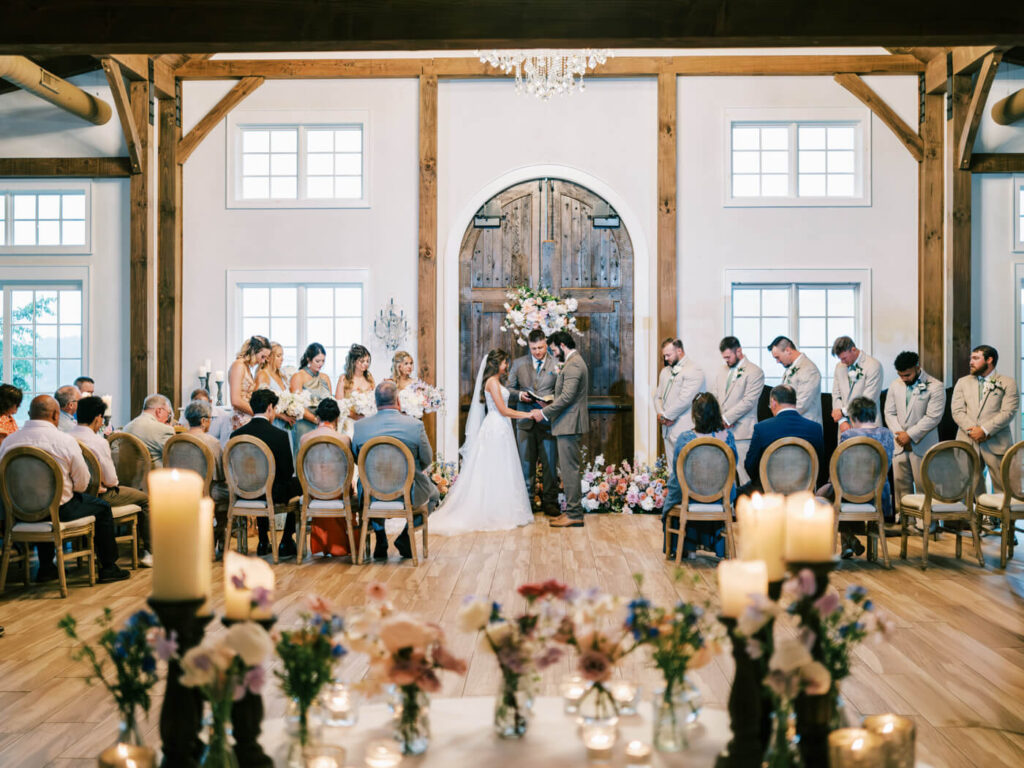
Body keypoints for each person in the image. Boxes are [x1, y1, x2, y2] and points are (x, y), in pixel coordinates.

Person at [0, 395, 129, 584]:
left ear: (29, 414)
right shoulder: (64, 441)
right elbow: (83, 483)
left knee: (45, 501)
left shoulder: (9, 442)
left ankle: (46, 568)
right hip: (60, 510)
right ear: (55, 415)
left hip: (19, 511)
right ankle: (108, 567)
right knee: (101, 508)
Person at [430, 349, 534, 536]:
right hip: (496, 425)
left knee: (502, 468)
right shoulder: (492, 383)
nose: (506, 365)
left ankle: (501, 508)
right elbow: (502, 410)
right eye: (504, 362)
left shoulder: (496, 382)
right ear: (496, 364)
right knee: (494, 467)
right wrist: (528, 414)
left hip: (502, 427)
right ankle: (492, 511)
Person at [352, 381, 440, 558]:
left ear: (376, 403)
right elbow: (426, 459)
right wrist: (411, 471)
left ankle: (380, 535)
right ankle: (406, 536)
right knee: (435, 495)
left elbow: (357, 459)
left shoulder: (361, 427)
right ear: (398, 401)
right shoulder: (414, 426)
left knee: (372, 484)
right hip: (408, 491)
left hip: (372, 492)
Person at [72, 396, 153, 567]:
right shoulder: (98, 442)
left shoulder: (65, 437)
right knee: (146, 500)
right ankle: (150, 551)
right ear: (98, 418)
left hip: (73, 497)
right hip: (98, 495)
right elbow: (111, 481)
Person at [662, 392, 738, 559]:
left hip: (691, 496)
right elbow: (733, 466)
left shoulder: (685, 438)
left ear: (695, 414)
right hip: (720, 497)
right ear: (717, 412)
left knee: (675, 488)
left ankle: (686, 547)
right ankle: (717, 547)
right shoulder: (728, 438)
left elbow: (678, 469)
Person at [229, 388, 301, 558]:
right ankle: (285, 540)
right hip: (270, 493)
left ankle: (263, 541)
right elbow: (287, 471)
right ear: (270, 407)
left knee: (261, 481)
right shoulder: (279, 435)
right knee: (297, 484)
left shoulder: (236, 435)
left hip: (242, 492)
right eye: (274, 409)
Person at [821, 396, 895, 558]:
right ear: (874, 414)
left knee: (822, 496)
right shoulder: (887, 434)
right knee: (837, 493)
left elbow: (840, 468)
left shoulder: (848, 435)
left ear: (852, 417)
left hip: (851, 494)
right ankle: (850, 541)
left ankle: (849, 539)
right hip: (879, 494)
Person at [532, 330, 590, 529]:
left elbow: (567, 397)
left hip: (569, 424)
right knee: (567, 470)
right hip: (566, 423)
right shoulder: (573, 363)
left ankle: (574, 514)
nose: (554, 353)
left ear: (562, 345)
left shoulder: (574, 365)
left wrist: (545, 412)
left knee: (569, 471)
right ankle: (571, 512)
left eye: (554, 349)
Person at [505, 328, 561, 516]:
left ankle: (550, 502)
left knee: (550, 463)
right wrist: (520, 395)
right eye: (533, 348)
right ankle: (526, 502)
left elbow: (563, 391)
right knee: (526, 463)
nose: (537, 351)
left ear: (546, 343)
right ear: (529, 346)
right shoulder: (519, 364)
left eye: (540, 347)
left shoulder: (557, 364)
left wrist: (550, 400)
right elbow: (508, 389)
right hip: (525, 421)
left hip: (547, 420)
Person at [951, 344, 1020, 495]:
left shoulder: (1008, 383)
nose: (971, 362)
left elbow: (1008, 412)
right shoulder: (963, 382)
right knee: (970, 487)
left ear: (990, 360)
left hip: (997, 441)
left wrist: (984, 430)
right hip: (967, 441)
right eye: (971, 358)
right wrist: (973, 430)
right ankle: (979, 518)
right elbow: (957, 411)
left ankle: (1002, 518)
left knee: (1003, 485)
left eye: (976, 358)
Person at [741, 384, 825, 495]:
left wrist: (766, 483)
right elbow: (820, 465)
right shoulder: (815, 428)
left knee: (738, 494)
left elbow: (750, 465)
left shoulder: (762, 428)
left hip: (769, 491)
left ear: (773, 402)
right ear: (795, 401)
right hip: (803, 492)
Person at [883, 351, 945, 500]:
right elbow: (889, 412)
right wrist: (899, 434)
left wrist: (909, 436)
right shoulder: (895, 385)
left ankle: (925, 521)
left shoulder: (936, 386)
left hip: (922, 444)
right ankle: (905, 521)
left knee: (924, 485)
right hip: (899, 444)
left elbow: (933, 417)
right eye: (901, 375)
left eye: (908, 375)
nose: (904, 379)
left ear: (918, 367)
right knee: (900, 488)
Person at [299, 397, 354, 558]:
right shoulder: (344, 439)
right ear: (337, 418)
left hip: (313, 492)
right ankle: (340, 544)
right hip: (338, 492)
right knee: (348, 489)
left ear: (317, 417)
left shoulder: (305, 439)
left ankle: (322, 543)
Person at [712, 336, 764, 485]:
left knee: (743, 474)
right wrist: (718, 419)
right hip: (722, 431)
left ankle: (745, 507)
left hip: (742, 431)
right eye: (724, 358)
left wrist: (727, 418)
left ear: (739, 351)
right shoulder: (722, 371)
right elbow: (715, 395)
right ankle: (728, 506)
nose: (726, 361)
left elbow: (748, 401)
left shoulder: (755, 371)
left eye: (728, 357)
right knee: (724, 473)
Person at [184, 399, 231, 553]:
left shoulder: (175, 440)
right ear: (203, 421)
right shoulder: (212, 442)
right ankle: (220, 532)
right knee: (229, 493)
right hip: (207, 492)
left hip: (183, 492)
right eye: (210, 419)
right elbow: (221, 474)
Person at [654, 337, 704, 463]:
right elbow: (658, 396)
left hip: (683, 427)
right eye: (664, 356)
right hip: (666, 428)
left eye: (668, 355)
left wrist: (667, 416)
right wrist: (661, 416)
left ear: (679, 351)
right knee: (672, 470)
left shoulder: (694, 369)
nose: (666, 359)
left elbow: (685, 400)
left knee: (685, 467)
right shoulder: (665, 371)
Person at [830, 336, 883, 431]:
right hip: (844, 426)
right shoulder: (839, 367)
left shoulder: (873, 365)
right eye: (840, 359)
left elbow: (869, 399)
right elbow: (836, 395)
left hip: (867, 424)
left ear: (853, 350)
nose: (842, 362)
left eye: (844, 358)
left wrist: (843, 412)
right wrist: (842, 421)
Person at [768, 336, 822, 424]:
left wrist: (781, 416)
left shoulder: (809, 369)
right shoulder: (790, 368)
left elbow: (802, 404)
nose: (777, 361)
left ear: (788, 350)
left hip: (806, 425)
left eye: (778, 357)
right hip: (790, 422)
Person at [290, 342, 332, 451]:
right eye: (317, 361)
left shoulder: (325, 378)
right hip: (304, 423)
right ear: (309, 359)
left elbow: (331, 403)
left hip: (324, 425)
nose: (320, 364)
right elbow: (296, 405)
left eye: (323, 361)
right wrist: (315, 420)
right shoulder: (298, 376)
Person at [229, 335, 272, 431]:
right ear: (254, 351)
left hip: (249, 417)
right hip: (241, 418)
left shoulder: (247, 367)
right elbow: (235, 400)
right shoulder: (238, 365)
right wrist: (257, 414)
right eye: (263, 356)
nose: (263, 361)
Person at [123, 394, 175, 468]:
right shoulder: (164, 430)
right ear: (159, 411)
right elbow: (176, 458)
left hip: (129, 478)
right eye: (169, 414)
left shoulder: (127, 427)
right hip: (155, 478)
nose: (167, 419)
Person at [256, 342, 298, 434]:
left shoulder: (281, 375)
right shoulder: (263, 375)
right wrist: (282, 416)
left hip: (286, 424)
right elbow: (261, 405)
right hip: (273, 423)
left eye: (282, 355)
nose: (282, 359)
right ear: (268, 358)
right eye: (278, 356)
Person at [336, 343, 376, 421]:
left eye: (367, 361)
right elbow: (339, 404)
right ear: (353, 361)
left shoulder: (369, 377)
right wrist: (356, 416)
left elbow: (374, 400)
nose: (366, 364)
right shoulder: (344, 378)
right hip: (349, 419)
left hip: (367, 419)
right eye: (362, 361)